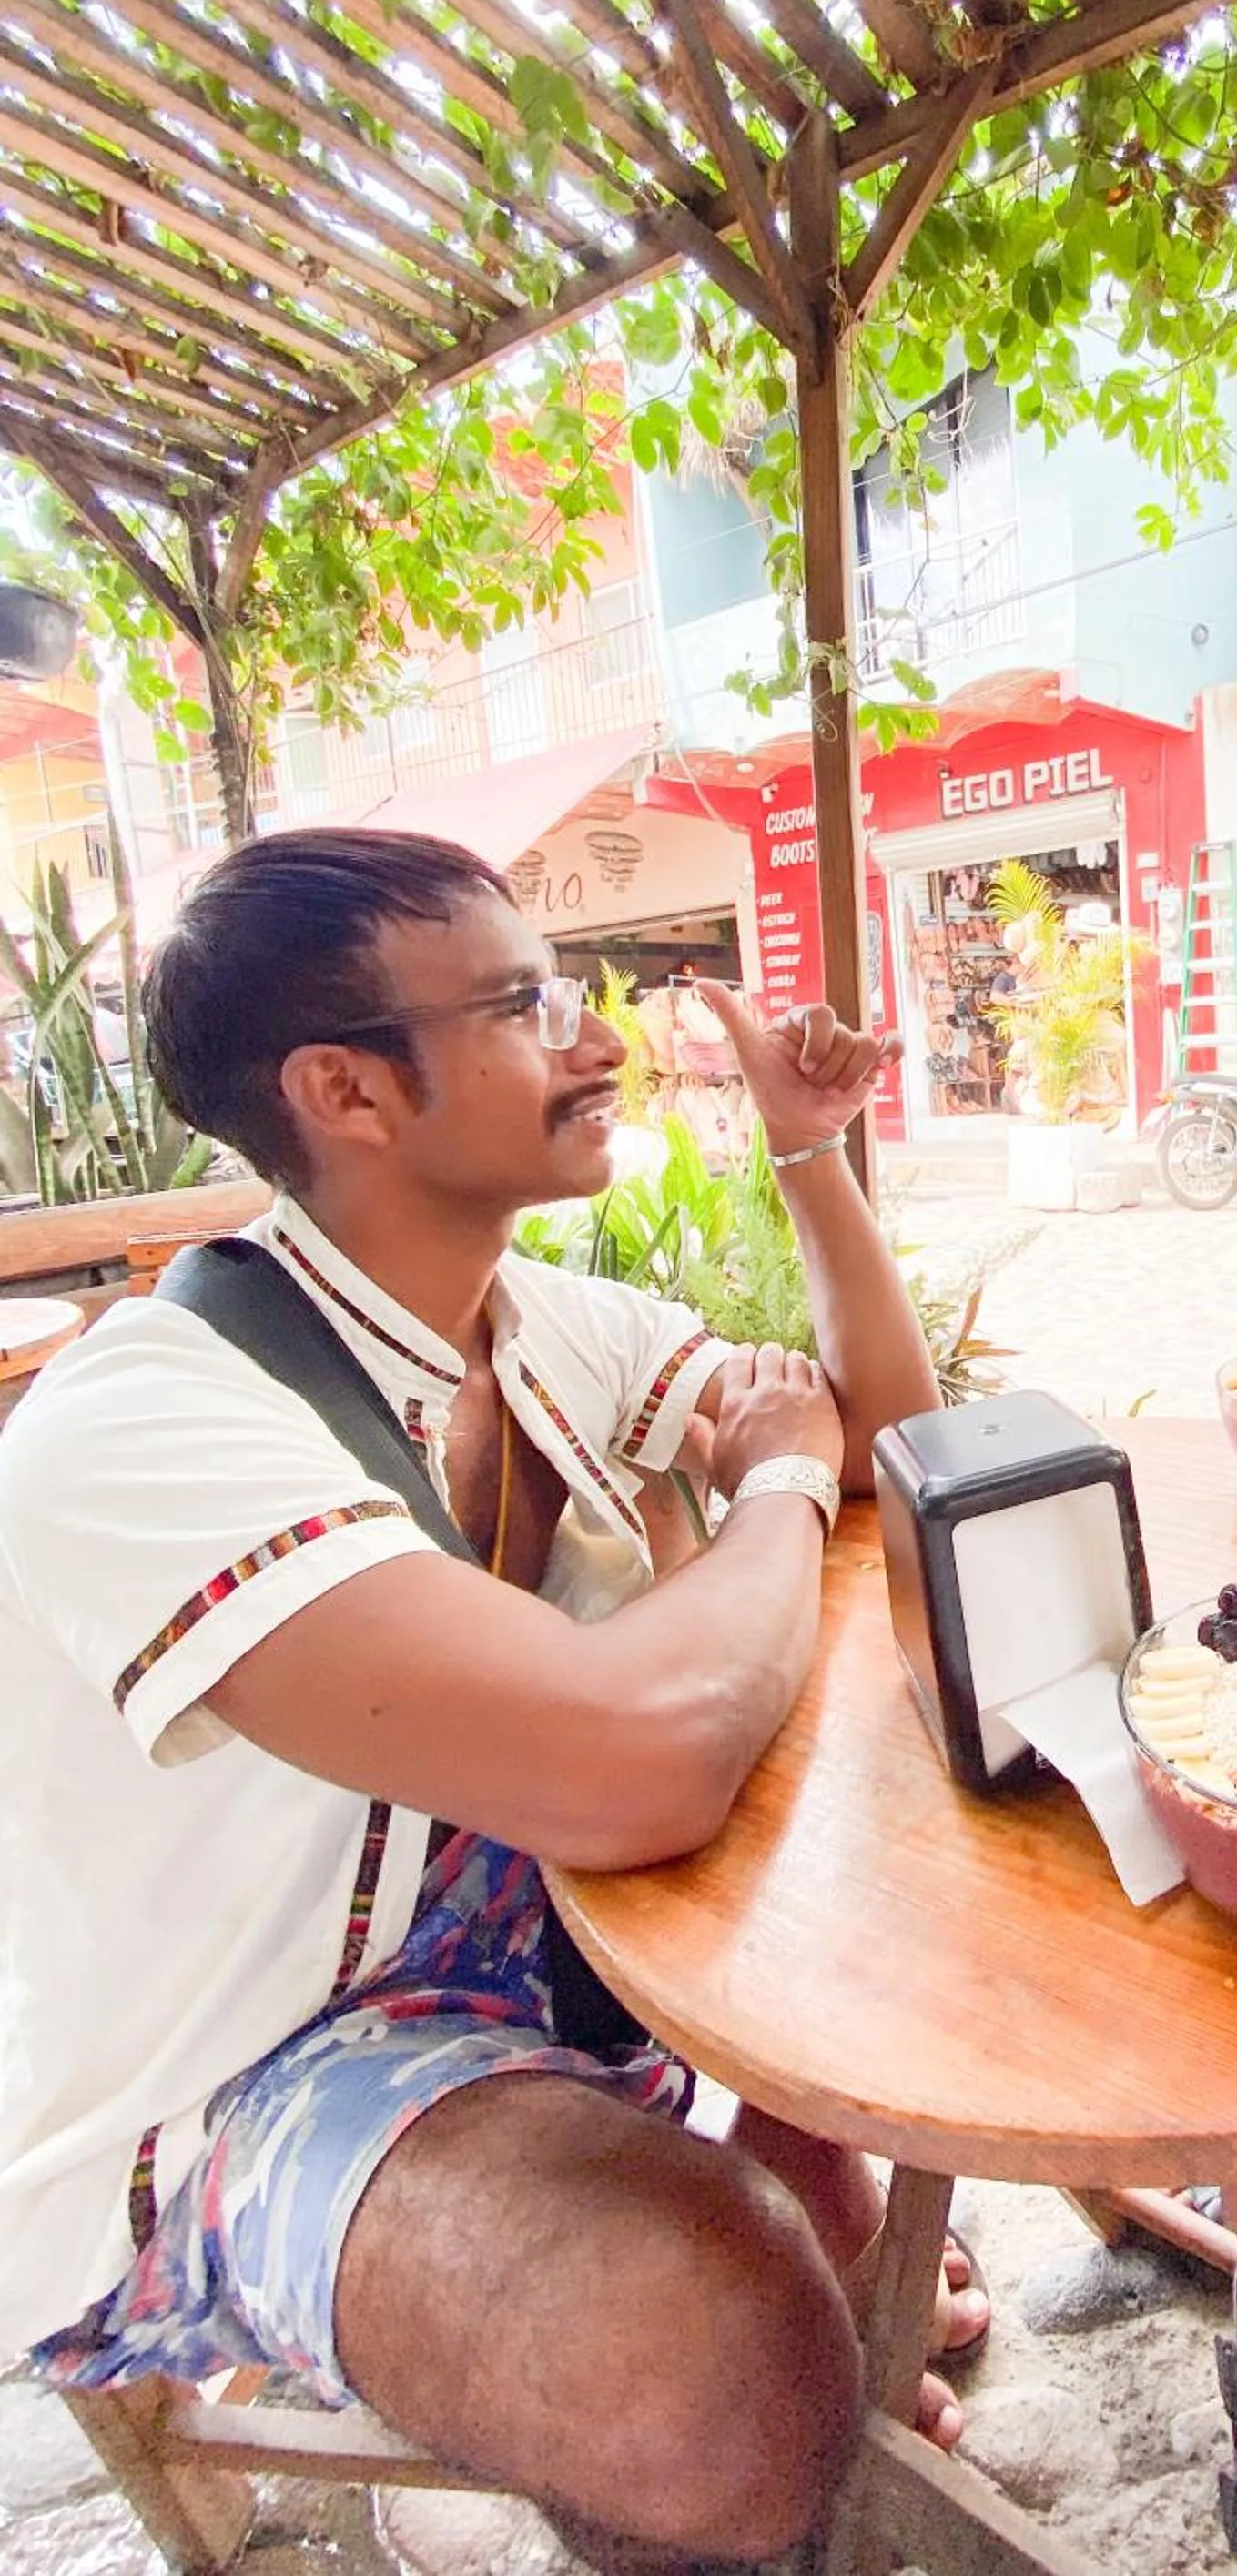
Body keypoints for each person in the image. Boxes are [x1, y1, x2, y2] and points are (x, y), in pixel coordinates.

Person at [0, 828, 980, 2573]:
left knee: (914, 1789)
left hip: (533, 1943)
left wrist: (814, 1152)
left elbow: (883, 1439)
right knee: (709, 2374)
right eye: (530, 1005)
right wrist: (761, 1489)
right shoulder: (140, 1423)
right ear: (347, 1092)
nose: (596, 1038)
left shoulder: (525, 1326)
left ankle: (787, 2172)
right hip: (259, 2066)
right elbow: (645, 1761)